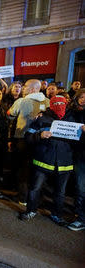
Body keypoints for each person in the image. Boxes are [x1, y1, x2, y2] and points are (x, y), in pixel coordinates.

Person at [20, 96, 75, 225]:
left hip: (64, 163)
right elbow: (28, 137)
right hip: (43, 160)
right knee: (35, 187)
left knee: (60, 192)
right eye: (56, 103)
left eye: (62, 103)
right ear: (51, 104)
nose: (60, 105)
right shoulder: (42, 118)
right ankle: (31, 210)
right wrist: (39, 135)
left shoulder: (73, 118)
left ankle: (57, 214)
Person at [8, 79, 50, 205]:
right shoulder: (48, 102)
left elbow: (10, 114)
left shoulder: (22, 101)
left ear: (32, 89)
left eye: (25, 86)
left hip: (23, 139)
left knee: (23, 169)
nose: (23, 88)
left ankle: (23, 197)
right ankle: (37, 197)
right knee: (38, 169)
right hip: (42, 140)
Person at [68, 89, 85, 231]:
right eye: (81, 97)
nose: (83, 99)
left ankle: (81, 217)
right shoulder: (71, 112)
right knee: (80, 188)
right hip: (78, 155)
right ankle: (79, 216)